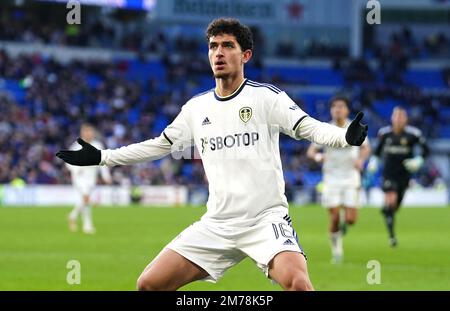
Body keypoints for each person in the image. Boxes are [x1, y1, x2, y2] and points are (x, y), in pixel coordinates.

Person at [56, 18, 367, 291]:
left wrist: (344, 137)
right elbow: (158, 145)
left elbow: (310, 128)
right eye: (213, 46)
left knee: (298, 284)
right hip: (217, 224)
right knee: (149, 284)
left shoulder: (266, 98)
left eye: (227, 45)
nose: (218, 52)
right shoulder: (196, 108)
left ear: (245, 55)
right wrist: (102, 157)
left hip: (264, 220)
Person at [307, 96, 371, 263]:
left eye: (341, 106)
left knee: (351, 220)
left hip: (351, 178)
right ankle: (337, 250)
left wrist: (361, 160)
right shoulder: (325, 128)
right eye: (334, 106)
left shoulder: (354, 127)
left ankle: (344, 222)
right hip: (331, 179)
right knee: (334, 217)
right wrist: (319, 157)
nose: (338, 109)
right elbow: (311, 152)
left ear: (347, 110)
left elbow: (366, 148)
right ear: (331, 110)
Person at [367, 107, 429, 247]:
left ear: (406, 119)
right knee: (391, 199)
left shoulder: (413, 134)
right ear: (392, 118)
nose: (399, 119)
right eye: (396, 116)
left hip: (404, 176)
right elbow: (377, 152)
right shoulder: (385, 134)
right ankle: (392, 237)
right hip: (388, 174)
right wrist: (373, 162)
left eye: (401, 116)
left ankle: (388, 212)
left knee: (394, 207)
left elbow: (426, 150)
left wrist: (418, 160)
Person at [66, 123, 112, 234]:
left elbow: (103, 161)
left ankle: (73, 216)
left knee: (84, 201)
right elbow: (68, 161)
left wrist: (106, 176)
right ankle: (87, 225)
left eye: (90, 131)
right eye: (86, 131)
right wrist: (76, 169)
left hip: (91, 178)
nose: (88, 134)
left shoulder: (98, 145)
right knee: (86, 198)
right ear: (82, 133)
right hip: (80, 177)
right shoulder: (76, 146)